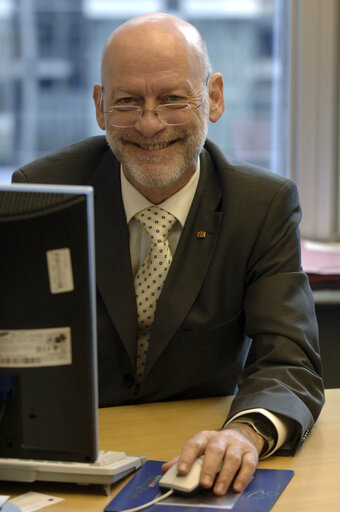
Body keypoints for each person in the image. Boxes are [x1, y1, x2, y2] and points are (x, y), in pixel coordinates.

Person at [12, 13, 324, 497]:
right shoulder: (46, 191)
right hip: (75, 457)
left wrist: (243, 434)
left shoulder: (261, 205)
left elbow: (288, 358)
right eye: (127, 102)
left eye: (173, 99)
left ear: (214, 97)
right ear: (100, 106)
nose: (150, 124)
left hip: (192, 450)